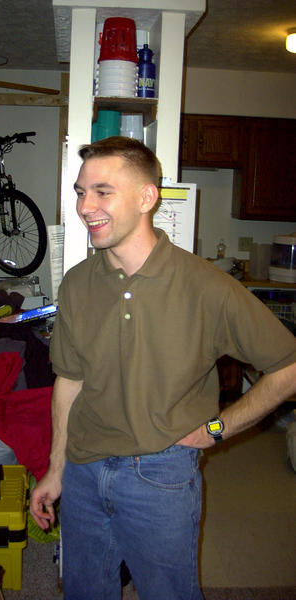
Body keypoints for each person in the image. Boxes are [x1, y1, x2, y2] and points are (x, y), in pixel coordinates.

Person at [30, 136, 296, 600]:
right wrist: (56, 468)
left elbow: (287, 366)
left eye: (102, 191)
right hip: (84, 470)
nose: (85, 206)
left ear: (147, 197)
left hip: (160, 475)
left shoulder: (207, 286)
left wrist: (216, 429)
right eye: (81, 192)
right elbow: (69, 380)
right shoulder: (76, 283)